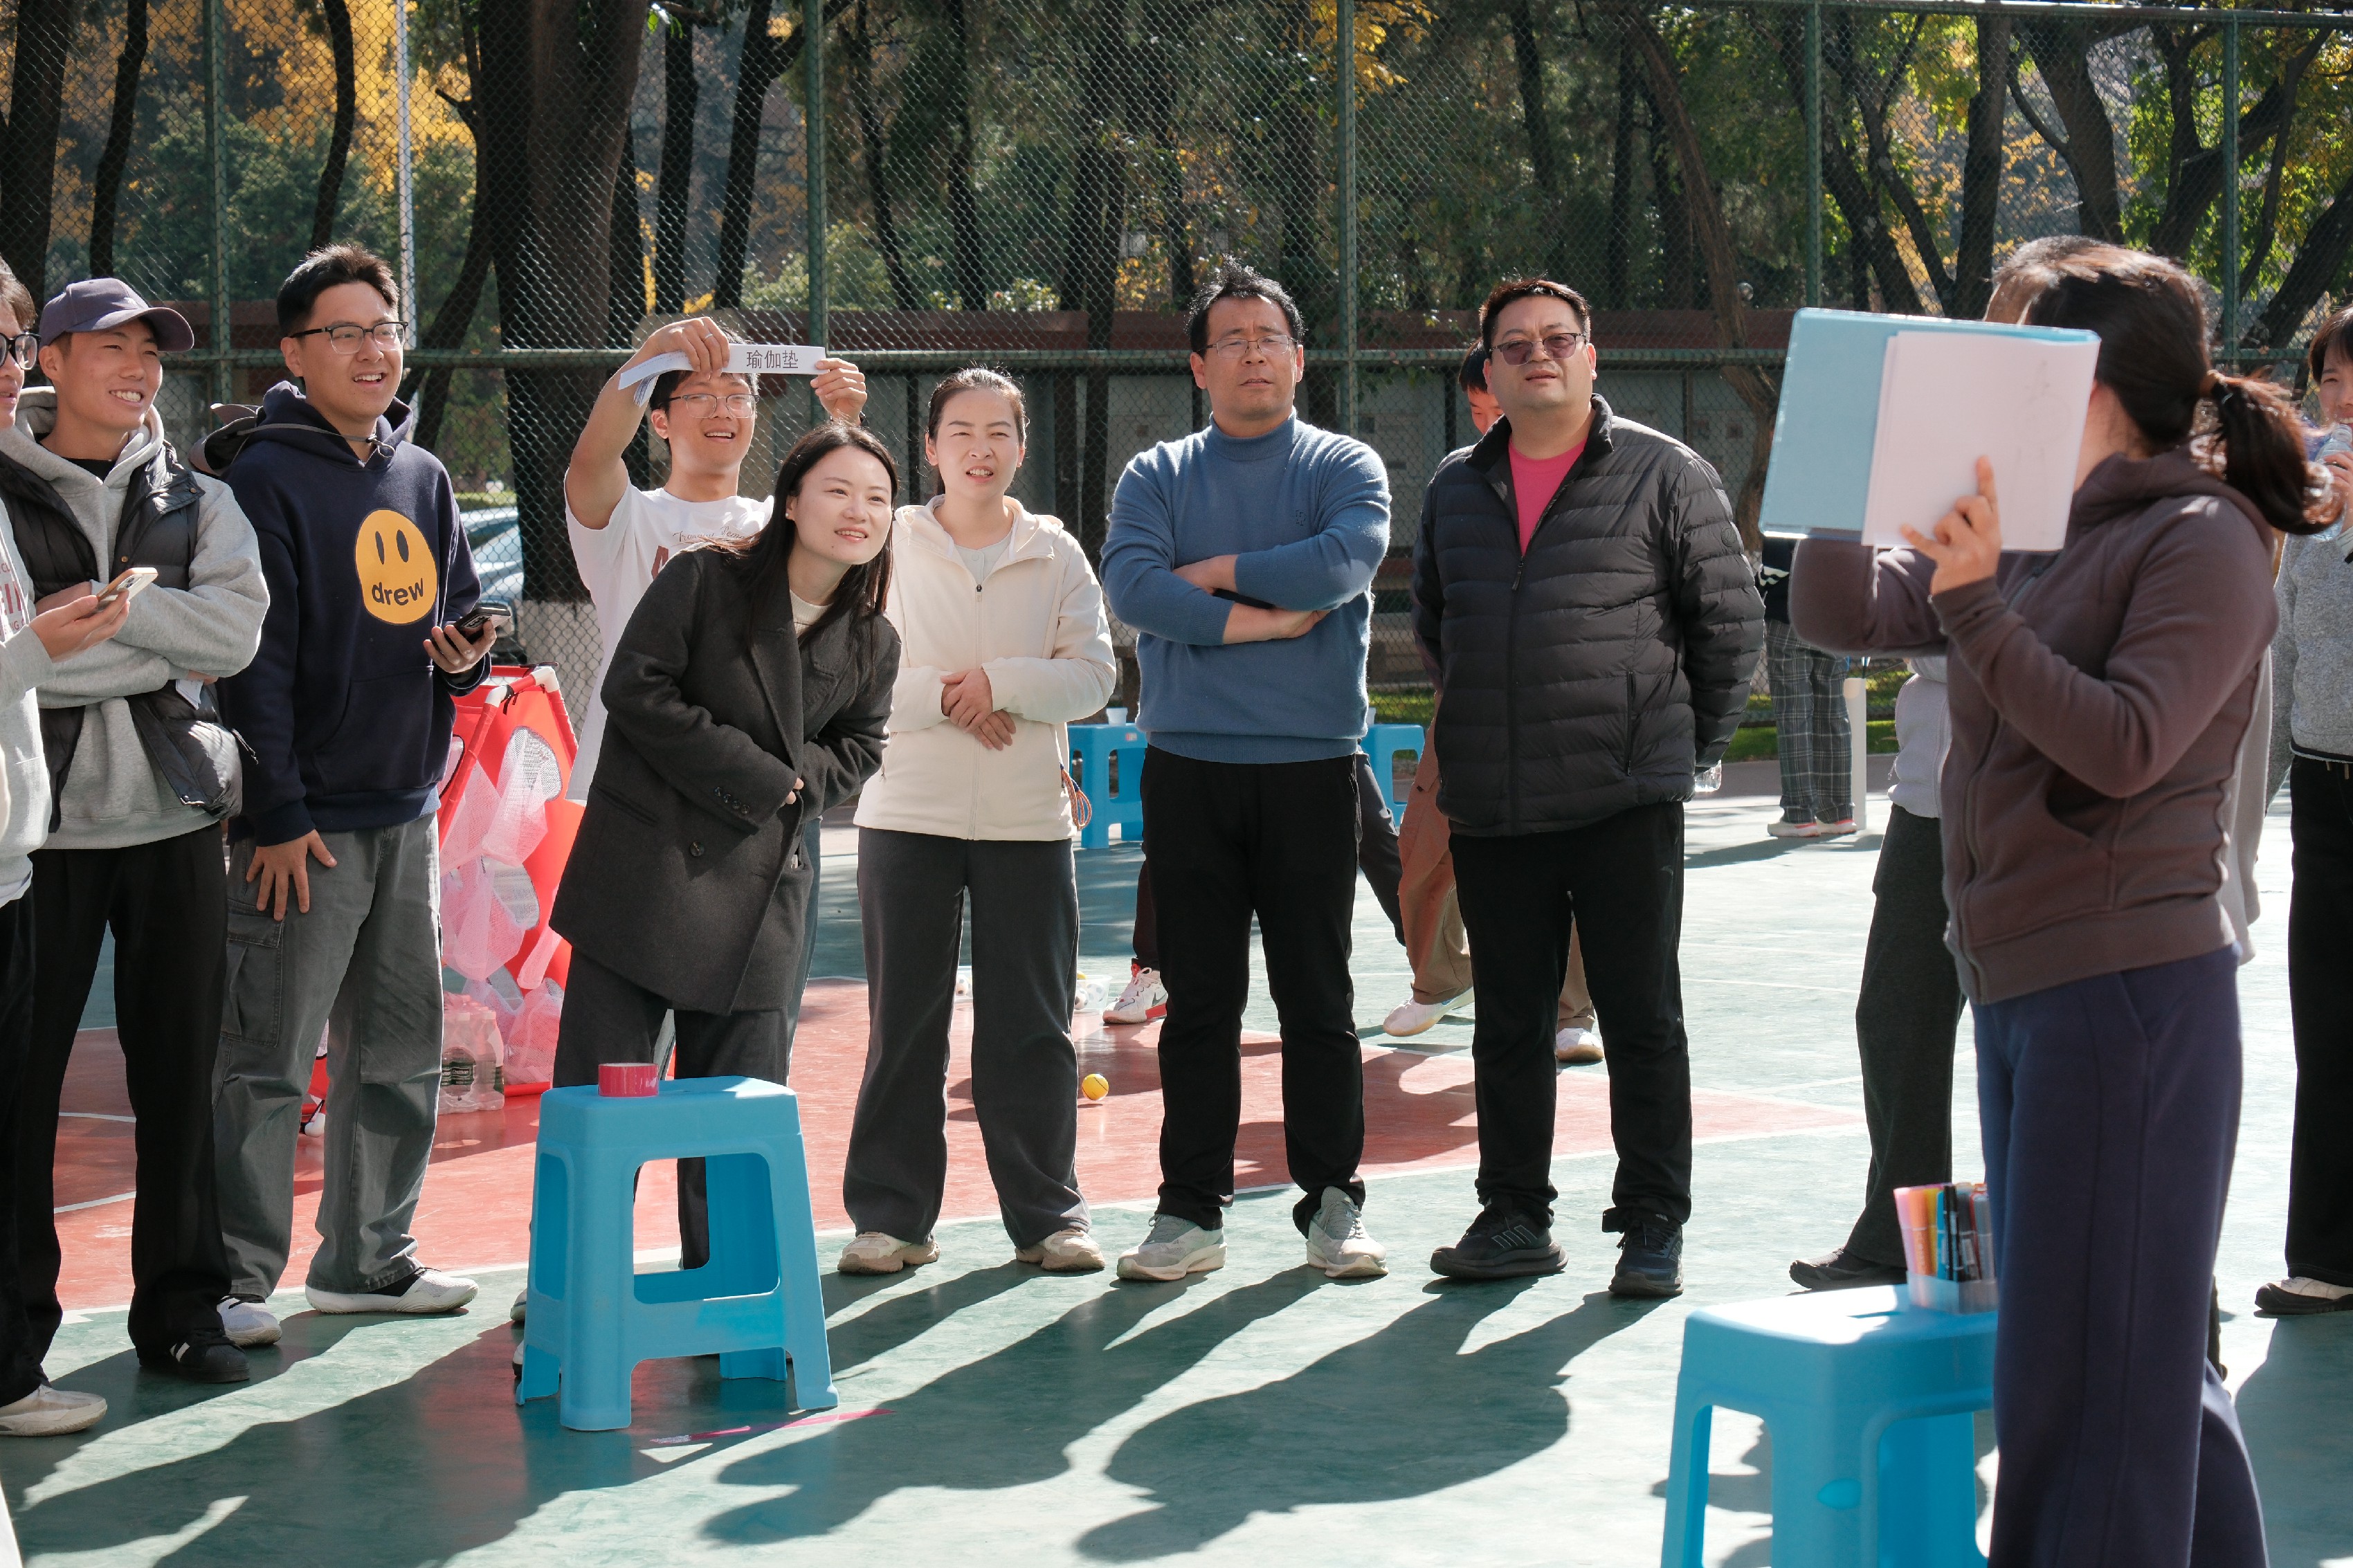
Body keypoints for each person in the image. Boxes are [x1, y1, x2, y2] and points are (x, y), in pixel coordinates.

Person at [1792, 244, 2315, 1567]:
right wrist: (1844, 474)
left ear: (2087, 388)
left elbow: (2127, 744)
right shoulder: (2031, 528)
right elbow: (1849, 611)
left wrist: (1973, 603)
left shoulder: (2201, 537)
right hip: (2029, 982)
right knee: (2125, 1356)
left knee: (2086, 1379)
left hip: (2126, 995)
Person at [1412, 277, 1763, 1291]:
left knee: (1641, 1018)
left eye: (1559, 339)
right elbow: (1439, 628)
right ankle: (1514, 1214)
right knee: (1508, 1024)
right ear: (1489, 370)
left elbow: (1729, 626)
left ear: (1591, 355)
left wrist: (1677, 749)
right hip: (1494, 804)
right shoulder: (1454, 487)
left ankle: (1652, 1219)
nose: (1539, 356)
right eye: (1515, 344)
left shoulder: (1665, 472)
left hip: (1624, 801)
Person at [1786, 235, 2102, 1291]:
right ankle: (1907, 1239)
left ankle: (2116, 1275)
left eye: (2035, 323)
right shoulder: (1954, 457)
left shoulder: (2141, 494)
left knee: (2070, 1051)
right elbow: (1863, 609)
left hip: (2078, 814)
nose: (2007, 342)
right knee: (1902, 1018)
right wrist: (1837, 472)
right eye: (1999, 320)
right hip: (1938, 798)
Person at [203, 244, 498, 1349]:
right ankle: (234, 1275)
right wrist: (275, 813)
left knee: (399, 1048)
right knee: (269, 1057)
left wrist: (466, 659)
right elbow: (252, 663)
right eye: (346, 332)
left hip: (405, 810)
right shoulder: (261, 478)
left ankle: (368, 1260)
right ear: (294, 353)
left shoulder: (421, 475)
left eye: (386, 328)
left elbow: (456, 615)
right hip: (304, 827)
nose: (375, 350)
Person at [1099, 259, 1391, 1282]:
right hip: (1190, 766)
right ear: (1199, 366)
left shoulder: (1343, 464)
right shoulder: (1157, 475)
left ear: (1299, 359)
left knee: (1318, 999)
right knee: (1200, 1005)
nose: (1253, 354)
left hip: (1314, 767)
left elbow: (1342, 563)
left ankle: (1333, 1202)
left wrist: (1218, 573)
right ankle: (1190, 1213)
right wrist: (1265, 621)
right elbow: (1135, 588)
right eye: (1231, 340)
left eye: (1269, 337)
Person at [547, 421, 897, 1270]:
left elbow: (861, 747)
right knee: (602, 1101)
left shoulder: (872, 639)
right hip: (643, 880)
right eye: (838, 490)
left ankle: (733, 1284)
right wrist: (764, 778)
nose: (858, 511)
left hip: (763, 897)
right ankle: (574, 1277)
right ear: (791, 502)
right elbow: (637, 687)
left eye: (878, 498)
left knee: (736, 1112)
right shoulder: (704, 578)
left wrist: (789, 784)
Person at [1, 279, 268, 1383]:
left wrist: (110, 609)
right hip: (41, 839)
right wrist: (148, 642)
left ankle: (184, 1311)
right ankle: (18, 1335)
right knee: (20, 1095)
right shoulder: (2, 490)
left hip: (174, 820)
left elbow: (235, 635)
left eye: (152, 350)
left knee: (179, 1078)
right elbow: (22, 651)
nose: (139, 367)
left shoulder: (201, 496)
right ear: (51, 360)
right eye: (111, 345)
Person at [838, 370, 1115, 1275]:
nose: (979, 449)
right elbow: (853, 669)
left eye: (998, 432)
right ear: (929, 447)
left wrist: (1003, 683)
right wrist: (953, 699)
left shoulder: (1055, 552)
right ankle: (891, 1219)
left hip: (1028, 821)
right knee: (904, 1024)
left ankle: (1049, 1217)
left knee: (1033, 1025)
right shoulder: (889, 542)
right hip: (906, 813)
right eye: (960, 431)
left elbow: (1094, 675)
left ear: (1021, 448)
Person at [0, 262, 136, 1437]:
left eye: (7, 342)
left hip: (11, 867)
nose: (4, 368)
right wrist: (39, 650)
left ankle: (10, 1369)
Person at [1386, 342, 1601, 1066]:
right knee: (1423, 849)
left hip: (1568, 707)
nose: (1489, 421)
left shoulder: (1594, 470)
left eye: (1495, 406)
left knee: (1569, 861)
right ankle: (1441, 979)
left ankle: (1572, 1011)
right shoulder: (1458, 480)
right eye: (1477, 411)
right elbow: (1431, 599)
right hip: (1470, 701)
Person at [564, 316, 867, 797]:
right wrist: (650, 355)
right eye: (700, 395)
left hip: (747, 778)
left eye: (736, 396)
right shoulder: (628, 517)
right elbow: (592, 458)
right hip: (628, 779)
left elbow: (847, 523)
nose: (721, 411)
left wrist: (845, 422)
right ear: (659, 420)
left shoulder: (777, 523)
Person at [2262, 300, 2353, 1317]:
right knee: (2328, 1027)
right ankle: (2327, 1254)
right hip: (2326, 802)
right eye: (2328, 379)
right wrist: (2243, 816)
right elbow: (2282, 667)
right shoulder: (2311, 526)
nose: (2342, 397)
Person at [1105, 758, 1405, 1027]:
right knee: (1168, 846)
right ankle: (1154, 972)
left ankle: (1430, 967)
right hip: (1209, 743)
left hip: (1318, 741)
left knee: (1376, 833)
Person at [1757, 534, 1854, 839]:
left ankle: (1799, 815)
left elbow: (1776, 567)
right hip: (1836, 620)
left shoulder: (1785, 512)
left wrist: (1755, 584)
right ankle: (1838, 812)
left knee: (1794, 716)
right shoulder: (1843, 513)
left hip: (1790, 617)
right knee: (1834, 715)